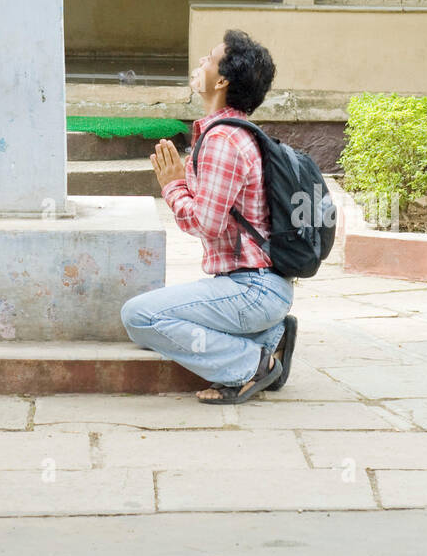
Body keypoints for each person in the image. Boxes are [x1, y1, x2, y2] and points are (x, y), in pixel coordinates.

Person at [121, 30, 298, 404]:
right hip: (264, 287)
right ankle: (271, 337)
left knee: (139, 317)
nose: (200, 61)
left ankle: (252, 364)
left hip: (252, 290)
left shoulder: (222, 140)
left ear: (221, 80)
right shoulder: (236, 134)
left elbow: (206, 224)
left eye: (209, 58)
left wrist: (172, 186)